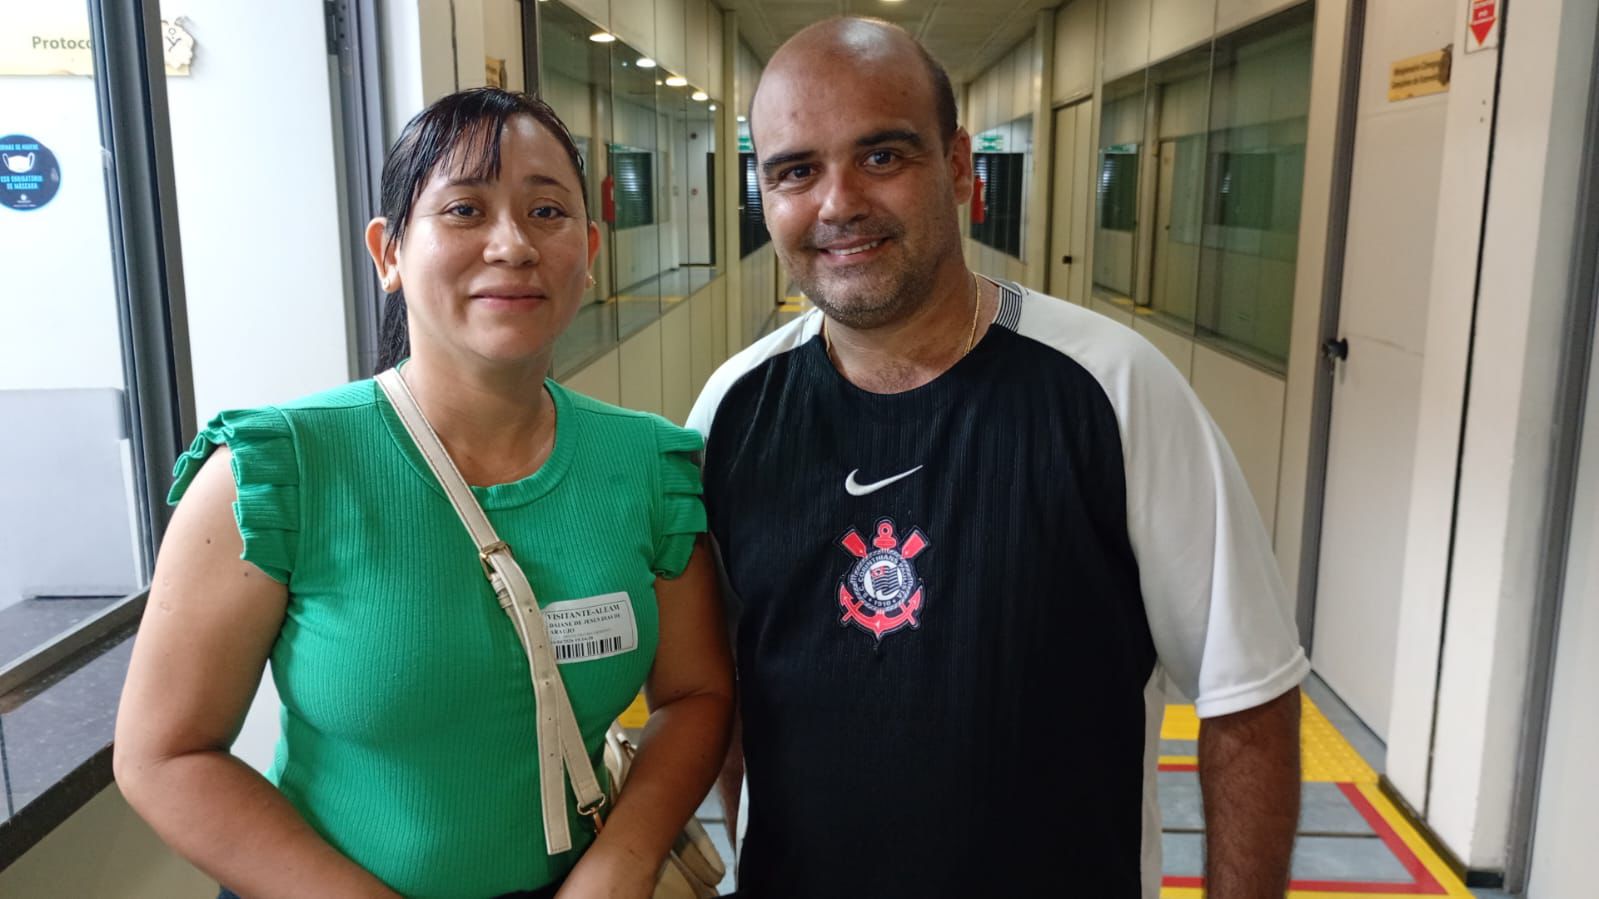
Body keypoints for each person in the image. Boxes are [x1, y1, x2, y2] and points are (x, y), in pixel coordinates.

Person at [686, 18, 1307, 899]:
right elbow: (716, 690)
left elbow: (1248, 693)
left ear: (957, 166)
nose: (837, 203)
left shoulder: (1111, 388)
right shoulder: (731, 410)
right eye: (795, 171)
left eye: (881, 156)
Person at [114, 88, 734, 899]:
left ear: (587, 251)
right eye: (464, 210)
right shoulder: (276, 470)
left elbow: (694, 694)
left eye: (546, 212)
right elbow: (165, 754)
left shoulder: (647, 463)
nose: (512, 244)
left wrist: (622, 861)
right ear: (389, 253)